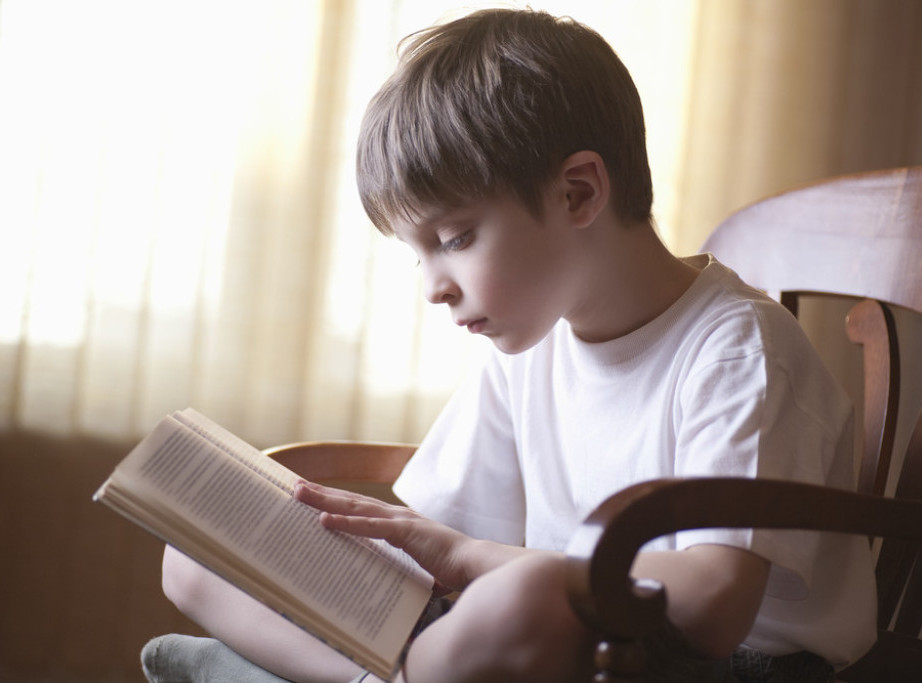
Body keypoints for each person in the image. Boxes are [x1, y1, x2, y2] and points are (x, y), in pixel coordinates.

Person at [145, 8, 877, 682]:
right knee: (197, 548)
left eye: (456, 237)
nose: (435, 285)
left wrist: (474, 559)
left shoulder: (735, 349)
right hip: (553, 637)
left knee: (527, 591)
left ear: (579, 193)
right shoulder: (530, 351)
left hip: (719, 662)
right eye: (418, 252)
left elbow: (714, 605)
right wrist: (317, 542)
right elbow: (444, 545)